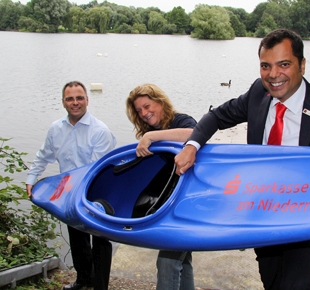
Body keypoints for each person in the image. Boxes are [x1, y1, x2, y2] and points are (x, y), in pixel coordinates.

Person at [174, 29, 310, 290]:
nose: (273, 75)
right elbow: (216, 117)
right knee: (272, 282)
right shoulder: (258, 93)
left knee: (296, 284)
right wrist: (192, 145)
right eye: (265, 66)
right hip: (263, 212)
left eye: (284, 64)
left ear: (302, 65)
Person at [26, 81, 117, 290]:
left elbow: (96, 170)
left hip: (97, 192)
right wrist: (32, 179)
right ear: (63, 103)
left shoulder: (100, 131)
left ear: (87, 100)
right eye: (70, 99)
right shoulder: (56, 129)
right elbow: (43, 156)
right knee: (77, 238)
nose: (75, 103)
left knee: (100, 241)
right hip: (69, 192)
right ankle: (84, 281)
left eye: (79, 98)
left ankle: (100, 286)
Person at [125, 83, 196, 290]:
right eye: (139, 111)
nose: (144, 113)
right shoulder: (151, 131)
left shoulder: (179, 120)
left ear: (160, 101)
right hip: (168, 205)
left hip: (186, 203)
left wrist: (151, 137)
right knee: (182, 259)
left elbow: (194, 134)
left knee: (167, 261)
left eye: (147, 106)